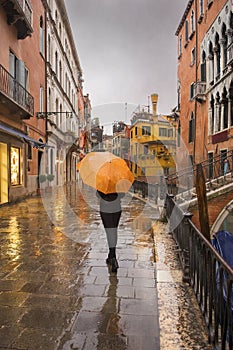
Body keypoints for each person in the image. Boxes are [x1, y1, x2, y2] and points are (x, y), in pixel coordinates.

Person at [96, 190, 124, 273]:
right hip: (116, 207)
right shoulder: (119, 181)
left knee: (109, 232)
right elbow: (122, 194)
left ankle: (113, 258)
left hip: (105, 208)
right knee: (114, 231)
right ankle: (111, 255)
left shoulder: (102, 181)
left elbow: (98, 194)